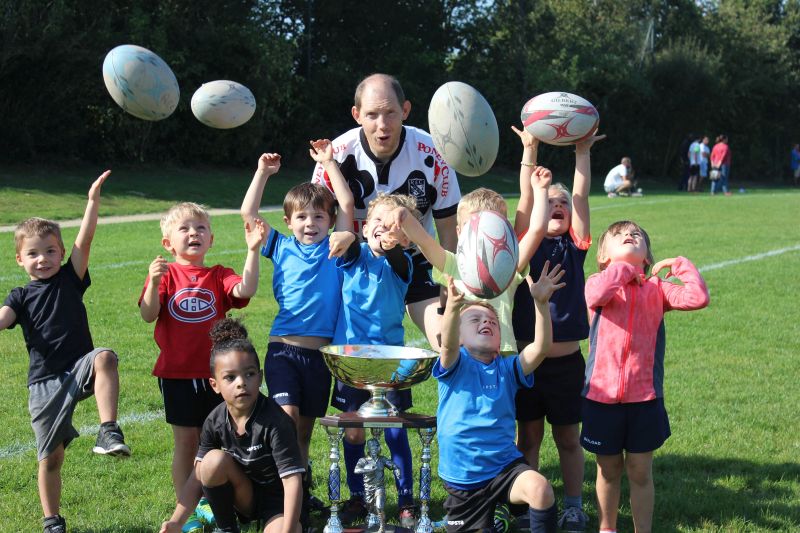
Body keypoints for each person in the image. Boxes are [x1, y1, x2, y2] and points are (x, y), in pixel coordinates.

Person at [0, 171, 130, 533]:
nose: (43, 259)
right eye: (33, 254)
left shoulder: (70, 277)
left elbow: (85, 240)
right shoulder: (20, 295)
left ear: (60, 252)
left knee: (105, 356)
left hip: (78, 367)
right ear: (19, 260)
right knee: (51, 457)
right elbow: (4, 318)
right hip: (43, 383)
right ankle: (52, 520)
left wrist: (92, 202)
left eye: (50, 251)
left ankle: (108, 430)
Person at [240, 141, 354, 518]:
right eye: (302, 218)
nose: (311, 224)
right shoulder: (282, 246)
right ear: (289, 222)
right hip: (283, 350)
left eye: (319, 217)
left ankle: (299, 495)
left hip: (321, 357)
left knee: (304, 431)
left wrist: (329, 164)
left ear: (330, 220)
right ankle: (277, 494)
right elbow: (248, 212)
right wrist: (263, 173)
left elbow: (348, 205)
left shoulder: (335, 248)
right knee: (286, 421)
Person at [311, 73, 462, 350]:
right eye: (372, 115)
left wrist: (447, 290)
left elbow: (448, 230)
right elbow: (313, 228)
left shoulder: (434, 153)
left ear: (405, 110)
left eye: (391, 113)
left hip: (415, 261)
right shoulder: (336, 156)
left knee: (448, 340)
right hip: (357, 265)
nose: (382, 125)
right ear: (357, 115)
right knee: (319, 338)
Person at [140, 202, 265, 532]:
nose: (193, 233)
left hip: (218, 379)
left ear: (210, 239)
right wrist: (153, 283)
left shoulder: (219, 274)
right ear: (168, 243)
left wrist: (252, 250)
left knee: (221, 443)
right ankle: (188, 510)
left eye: (200, 228)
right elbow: (148, 314)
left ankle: (216, 503)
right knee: (186, 443)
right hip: (176, 374)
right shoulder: (166, 275)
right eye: (184, 229)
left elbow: (246, 289)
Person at [582, 220, 710, 533]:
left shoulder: (657, 289)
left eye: (636, 234)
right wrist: (623, 269)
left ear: (648, 256)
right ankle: (607, 528)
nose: (629, 235)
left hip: (645, 398)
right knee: (608, 469)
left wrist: (680, 265)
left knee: (640, 471)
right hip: (601, 398)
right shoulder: (598, 282)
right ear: (603, 256)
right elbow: (598, 292)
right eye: (619, 235)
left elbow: (697, 298)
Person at [511, 131, 605, 532]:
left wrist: (581, 153)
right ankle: (528, 507)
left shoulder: (575, 246)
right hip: (528, 365)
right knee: (528, 439)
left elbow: (581, 196)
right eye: (550, 202)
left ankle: (572, 504)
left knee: (569, 439)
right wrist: (530, 154)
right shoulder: (522, 246)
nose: (559, 205)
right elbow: (524, 202)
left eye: (562, 203)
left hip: (567, 366)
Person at [434, 264, 565, 533]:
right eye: (476, 320)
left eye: (492, 322)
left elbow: (540, 349)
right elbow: (446, 345)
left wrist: (541, 304)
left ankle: (505, 514)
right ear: (460, 337)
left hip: (504, 468)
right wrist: (453, 308)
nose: (486, 323)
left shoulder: (507, 368)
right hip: (464, 482)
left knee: (540, 488)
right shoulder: (455, 365)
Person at [385, 152, 552, 355]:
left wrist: (542, 191)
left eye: (490, 226)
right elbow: (425, 242)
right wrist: (404, 217)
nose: (481, 234)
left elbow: (536, 229)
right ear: (458, 232)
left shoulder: (508, 266)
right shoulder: (453, 264)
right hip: (461, 356)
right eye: (471, 226)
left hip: (502, 356)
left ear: (504, 231)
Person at [160, 318, 305, 533]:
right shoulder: (214, 420)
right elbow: (196, 478)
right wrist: (176, 522)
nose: (241, 382)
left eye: (249, 374)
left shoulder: (277, 422)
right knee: (210, 462)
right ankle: (226, 528)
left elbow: (293, 482)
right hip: (244, 496)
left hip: (279, 502)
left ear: (260, 377)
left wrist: (289, 528)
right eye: (230, 377)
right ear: (215, 385)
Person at [329, 193, 419, 528]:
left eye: (396, 225)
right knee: (353, 432)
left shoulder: (402, 263)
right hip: (352, 361)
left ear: (407, 237)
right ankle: (356, 497)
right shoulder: (354, 256)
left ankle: (406, 501)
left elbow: (394, 254)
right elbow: (350, 248)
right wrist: (350, 236)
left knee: (395, 431)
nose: (385, 230)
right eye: (378, 222)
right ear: (366, 227)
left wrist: (392, 239)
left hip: (390, 363)